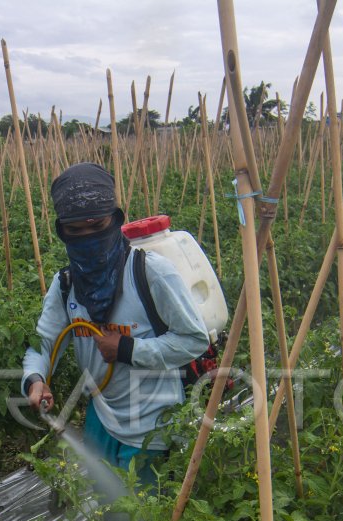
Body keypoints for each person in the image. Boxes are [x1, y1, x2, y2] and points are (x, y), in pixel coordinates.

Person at [22, 162, 209, 483]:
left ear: (116, 221)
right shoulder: (66, 284)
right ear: (61, 231)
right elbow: (43, 343)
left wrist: (126, 348)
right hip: (101, 417)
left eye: (96, 226)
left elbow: (194, 340)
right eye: (75, 231)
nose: (87, 238)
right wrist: (34, 379)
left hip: (153, 424)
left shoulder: (151, 273)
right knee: (104, 513)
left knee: (146, 520)